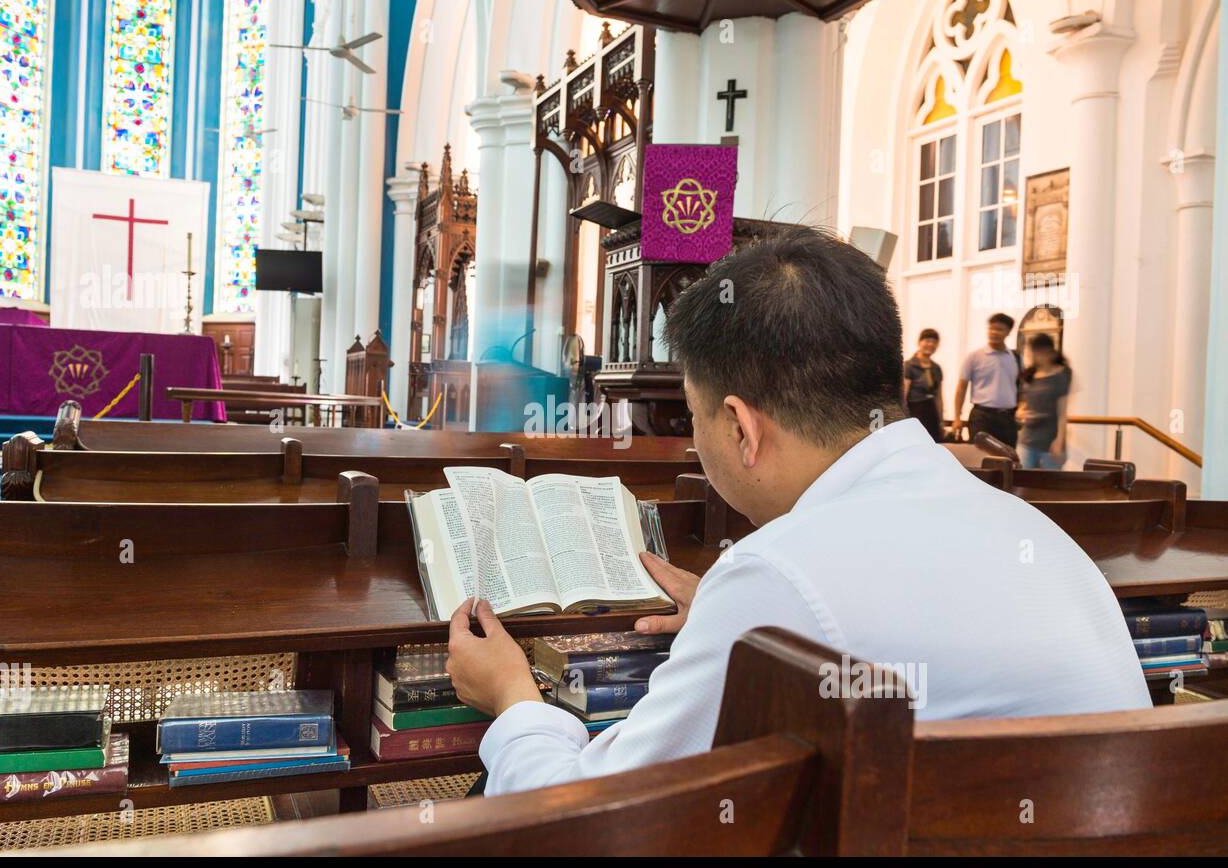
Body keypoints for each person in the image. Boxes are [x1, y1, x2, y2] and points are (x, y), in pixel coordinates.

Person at [445, 228, 1150, 797]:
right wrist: (753, 637)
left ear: (741, 428)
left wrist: (513, 697)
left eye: (694, 418)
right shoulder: (1039, 535)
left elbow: (593, 824)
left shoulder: (774, 577)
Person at [952, 313, 1020, 448]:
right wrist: (957, 417)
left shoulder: (1016, 357)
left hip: (1008, 418)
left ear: (1008, 332)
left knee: (1008, 458)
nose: (994, 332)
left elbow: (1020, 386)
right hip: (982, 417)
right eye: (991, 328)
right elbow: (961, 388)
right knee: (979, 458)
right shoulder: (974, 357)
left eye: (999, 329)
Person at [1018, 334, 1072, 469]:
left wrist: (1059, 440)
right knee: (1021, 482)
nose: (1038, 356)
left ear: (1050, 351)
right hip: (1027, 439)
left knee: (1050, 484)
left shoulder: (1061, 374)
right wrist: (1020, 412)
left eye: (1042, 351)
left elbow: (1062, 412)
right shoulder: (1029, 374)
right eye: (1034, 352)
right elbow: (1024, 403)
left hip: (1050, 440)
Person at [903, 328, 944, 442]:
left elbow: (939, 397)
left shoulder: (936, 368)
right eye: (927, 340)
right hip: (915, 412)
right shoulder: (909, 366)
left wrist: (941, 421)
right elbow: (903, 396)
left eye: (934, 342)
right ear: (919, 342)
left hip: (932, 412)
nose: (930, 344)